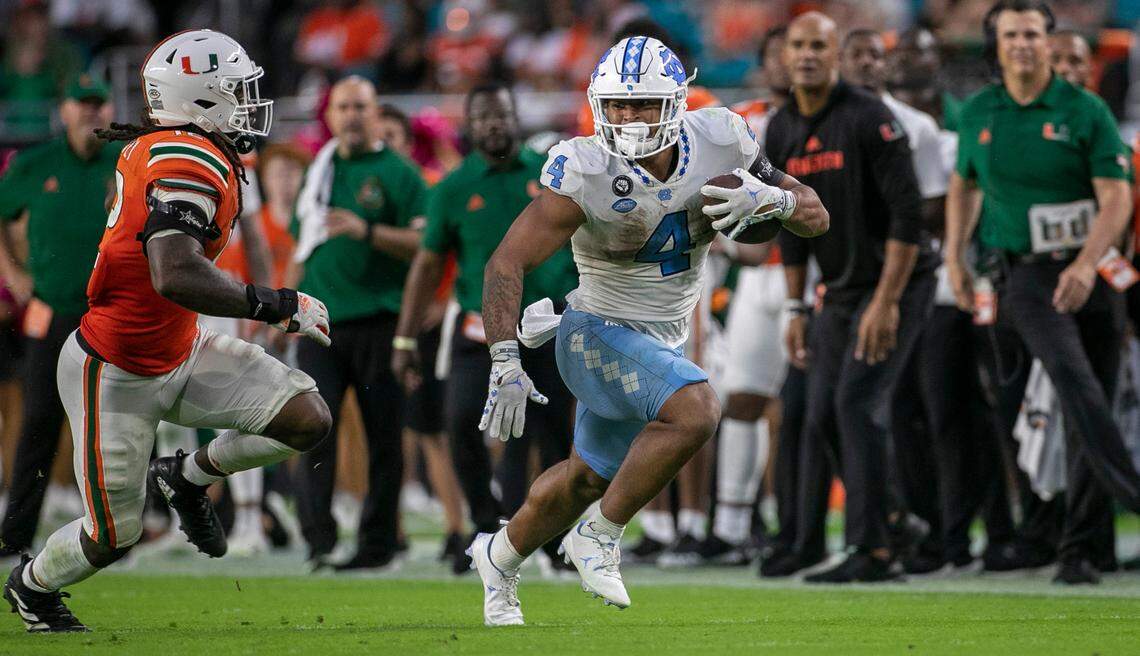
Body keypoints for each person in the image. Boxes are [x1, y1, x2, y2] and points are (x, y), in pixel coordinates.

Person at [468, 35, 827, 625]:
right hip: (593, 331)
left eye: (643, 104)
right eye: (617, 104)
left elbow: (817, 215)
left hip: (661, 338)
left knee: (584, 478)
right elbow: (506, 262)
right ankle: (599, 536)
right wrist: (504, 359)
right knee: (698, 409)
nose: (629, 117)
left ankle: (499, 556)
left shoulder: (722, 139)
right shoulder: (585, 166)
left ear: (677, 103)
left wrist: (778, 203)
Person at [1, 29, 334, 633]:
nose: (247, 102)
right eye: (234, 90)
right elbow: (174, 272)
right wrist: (275, 303)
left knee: (305, 417)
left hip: (181, 350)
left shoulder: (176, 147)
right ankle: (31, 585)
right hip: (114, 370)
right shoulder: (186, 158)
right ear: (198, 98)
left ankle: (185, 475)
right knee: (113, 536)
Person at [945, 0, 1140, 585]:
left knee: (1092, 398)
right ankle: (1132, 494)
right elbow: (963, 184)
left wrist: (1086, 264)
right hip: (1025, 275)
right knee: (1075, 382)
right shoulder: (980, 111)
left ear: (1047, 40)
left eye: (1032, 33)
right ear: (997, 44)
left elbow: (1117, 198)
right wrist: (955, 255)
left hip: (1092, 272)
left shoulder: (1085, 110)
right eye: (1012, 34)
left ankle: (1080, 549)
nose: (1023, 43)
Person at [769, 12, 938, 583]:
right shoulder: (780, 129)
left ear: (835, 55)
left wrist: (886, 303)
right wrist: (795, 307)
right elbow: (788, 226)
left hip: (899, 283)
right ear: (785, 55)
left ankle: (874, 552)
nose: (807, 55)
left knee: (857, 405)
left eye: (819, 45)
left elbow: (909, 215)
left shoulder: (871, 117)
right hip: (838, 293)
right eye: (798, 45)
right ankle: (893, 520)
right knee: (821, 414)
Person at [392, 83, 579, 575]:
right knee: (459, 422)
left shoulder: (551, 174)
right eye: (483, 116)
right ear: (469, 125)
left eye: (501, 114)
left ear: (516, 117)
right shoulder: (452, 187)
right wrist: (405, 338)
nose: (493, 123)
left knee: (556, 435)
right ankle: (483, 527)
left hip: (549, 326)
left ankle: (558, 540)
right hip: (479, 331)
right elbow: (428, 264)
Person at [289, 76, 427, 570]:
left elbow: (424, 244)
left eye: (360, 107)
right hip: (319, 324)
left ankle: (377, 545)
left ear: (375, 113)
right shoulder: (319, 171)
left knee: (383, 439)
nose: (351, 115)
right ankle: (319, 539)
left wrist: (365, 230)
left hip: (379, 322)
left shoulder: (400, 173)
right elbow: (303, 247)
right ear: (330, 116)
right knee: (311, 429)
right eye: (343, 107)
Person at [0, 77, 119, 560]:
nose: (91, 112)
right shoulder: (35, 163)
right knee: (39, 422)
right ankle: (15, 536)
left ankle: (126, 530)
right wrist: (13, 272)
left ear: (110, 109)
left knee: (118, 421)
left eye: (98, 104)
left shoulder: (126, 159)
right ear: (64, 110)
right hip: (51, 312)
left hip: (111, 313)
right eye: (82, 103)